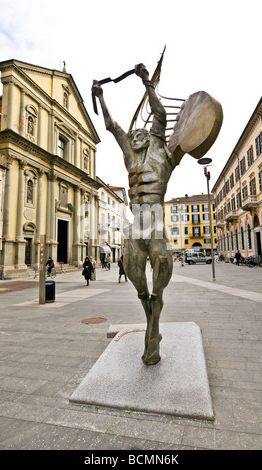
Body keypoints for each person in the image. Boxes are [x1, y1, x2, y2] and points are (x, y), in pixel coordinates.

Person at [92, 63, 179, 365]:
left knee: (163, 264)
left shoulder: (161, 152)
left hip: (155, 223)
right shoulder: (129, 155)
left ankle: (156, 312)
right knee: (134, 274)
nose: (138, 134)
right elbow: (113, 127)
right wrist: (100, 97)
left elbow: (160, 115)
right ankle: (151, 311)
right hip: (135, 226)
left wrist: (147, 82)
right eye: (135, 134)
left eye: (143, 132)